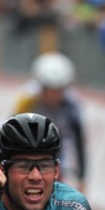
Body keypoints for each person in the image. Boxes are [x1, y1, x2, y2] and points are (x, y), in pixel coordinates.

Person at [14, 52, 88, 190]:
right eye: (48, 89)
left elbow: (79, 142)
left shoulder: (73, 104)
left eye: (58, 90)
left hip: (56, 149)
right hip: (27, 146)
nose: (53, 95)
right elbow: (11, 132)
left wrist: (82, 177)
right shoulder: (26, 100)